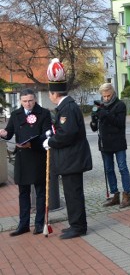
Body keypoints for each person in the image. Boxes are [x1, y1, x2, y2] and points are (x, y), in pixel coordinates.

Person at [43, 59, 92, 239]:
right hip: (69, 159)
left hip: (72, 158)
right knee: (71, 193)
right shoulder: (64, 107)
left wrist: (52, 141)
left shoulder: (67, 108)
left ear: (54, 93)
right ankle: (75, 223)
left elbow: (68, 134)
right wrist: (53, 133)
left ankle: (78, 227)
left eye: (49, 93)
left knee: (73, 194)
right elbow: (63, 130)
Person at [0, 89, 51, 236]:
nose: (27, 104)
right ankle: (23, 225)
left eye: (30, 100)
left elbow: (47, 134)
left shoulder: (44, 113)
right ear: (20, 101)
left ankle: (39, 224)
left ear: (35, 100)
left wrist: (32, 144)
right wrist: (3, 133)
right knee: (23, 192)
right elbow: (9, 132)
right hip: (22, 157)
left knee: (40, 192)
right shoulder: (16, 114)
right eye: (24, 101)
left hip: (37, 156)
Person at [90, 83, 130, 208]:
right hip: (104, 143)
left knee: (122, 167)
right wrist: (93, 120)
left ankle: (126, 195)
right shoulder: (99, 106)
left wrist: (106, 115)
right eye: (104, 96)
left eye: (108, 96)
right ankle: (115, 194)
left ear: (113, 93)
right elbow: (94, 128)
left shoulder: (120, 105)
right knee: (108, 169)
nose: (106, 98)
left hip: (118, 141)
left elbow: (120, 123)